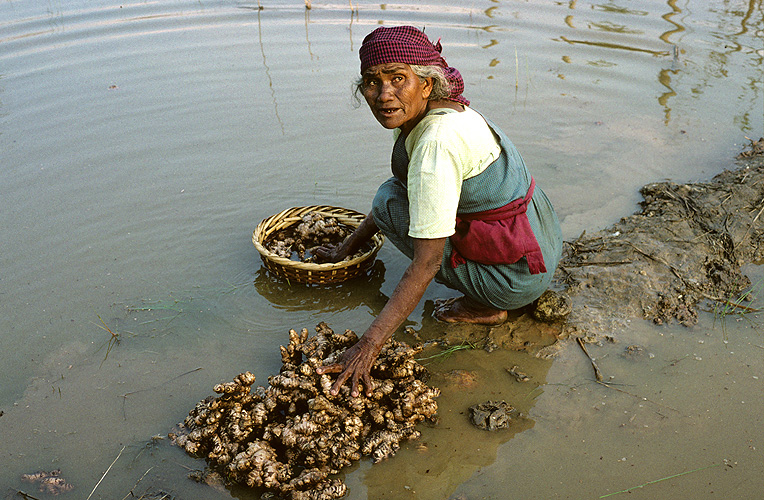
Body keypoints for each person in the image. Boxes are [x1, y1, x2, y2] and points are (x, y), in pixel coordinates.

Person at [316, 25, 562, 397]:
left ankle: (486, 304)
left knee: (388, 202)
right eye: (372, 82)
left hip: (519, 276)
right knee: (392, 195)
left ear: (427, 84)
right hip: (540, 238)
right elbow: (408, 189)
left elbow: (426, 264)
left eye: (399, 79)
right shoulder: (442, 111)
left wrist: (368, 345)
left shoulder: (436, 142)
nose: (384, 95)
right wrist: (346, 248)